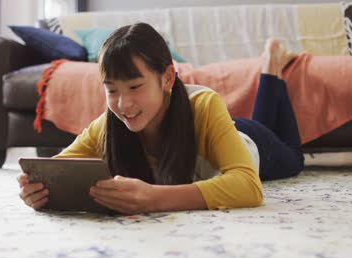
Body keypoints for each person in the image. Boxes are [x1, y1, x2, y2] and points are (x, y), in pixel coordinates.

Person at [17, 22, 304, 214]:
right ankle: (271, 69)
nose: (123, 103)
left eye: (135, 87)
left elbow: (248, 187)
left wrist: (153, 198)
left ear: (167, 78)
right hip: (218, 138)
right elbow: (53, 169)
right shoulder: (109, 124)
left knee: (293, 156)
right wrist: (36, 188)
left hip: (251, 143)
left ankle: (272, 67)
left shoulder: (204, 105)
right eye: (112, 90)